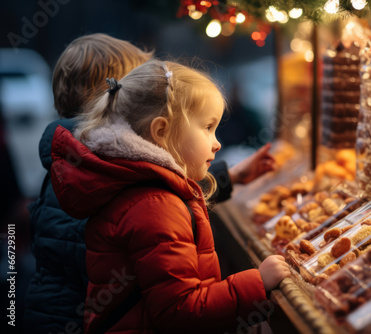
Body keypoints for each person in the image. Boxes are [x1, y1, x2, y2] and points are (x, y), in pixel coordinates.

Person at [25, 33, 277, 333]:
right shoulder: (93, 173)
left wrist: (229, 177)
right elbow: (153, 220)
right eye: (139, 83)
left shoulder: (93, 165)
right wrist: (254, 284)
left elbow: (157, 197)